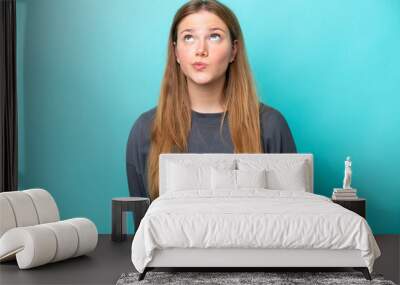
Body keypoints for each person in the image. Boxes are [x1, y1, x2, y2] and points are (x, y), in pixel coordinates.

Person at [126, 0, 297, 202]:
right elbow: (144, 229)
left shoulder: (270, 125)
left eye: (214, 36)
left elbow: (291, 223)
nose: (201, 50)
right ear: (176, 52)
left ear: (234, 50)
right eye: (189, 37)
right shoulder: (145, 129)